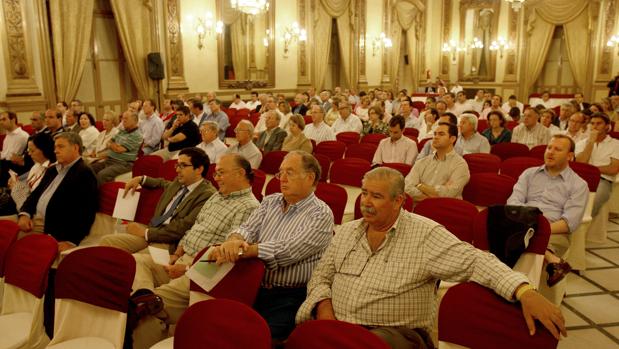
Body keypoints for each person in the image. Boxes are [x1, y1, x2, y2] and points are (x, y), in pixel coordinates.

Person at [296, 167, 567, 348]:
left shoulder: (424, 235)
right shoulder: (347, 233)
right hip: (338, 326)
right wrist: (324, 310)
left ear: (399, 201)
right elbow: (321, 275)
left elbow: (476, 261)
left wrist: (525, 291)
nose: (365, 201)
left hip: (396, 335)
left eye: (376, 196)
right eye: (364, 193)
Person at [130, 154, 260, 349]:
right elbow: (194, 228)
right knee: (137, 262)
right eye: (216, 173)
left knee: (143, 305)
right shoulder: (217, 195)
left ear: (240, 173)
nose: (216, 178)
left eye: (221, 173)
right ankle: (155, 306)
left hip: (201, 272)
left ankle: (152, 307)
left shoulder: (250, 207)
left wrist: (188, 269)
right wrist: (176, 255)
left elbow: (226, 256)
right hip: (181, 258)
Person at [209, 151, 334, 342]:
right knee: (220, 330)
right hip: (251, 284)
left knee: (255, 340)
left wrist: (244, 250)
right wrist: (234, 240)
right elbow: (247, 228)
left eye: (289, 173)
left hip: (288, 296)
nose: (282, 178)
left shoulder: (321, 214)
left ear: (310, 178)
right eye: (280, 172)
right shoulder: (270, 201)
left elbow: (289, 249)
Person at [100, 147, 216, 254]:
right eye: (177, 165)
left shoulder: (206, 195)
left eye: (183, 166)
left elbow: (182, 228)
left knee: (138, 260)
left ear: (199, 169)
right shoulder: (180, 182)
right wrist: (141, 179)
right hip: (153, 231)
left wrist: (146, 233)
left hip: (170, 242)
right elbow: (163, 183)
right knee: (108, 241)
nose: (177, 170)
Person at [507, 135, 588, 287]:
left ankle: (523, 293)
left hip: (554, 231)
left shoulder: (579, 184)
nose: (550, 152)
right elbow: (513, 201)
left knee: (523, 241)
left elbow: (569, 223)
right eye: (549, 147)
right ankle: (553, 261)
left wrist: (538, 229)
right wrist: (526, 223)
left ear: (570, 156)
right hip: (522, 222)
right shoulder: (529, 174)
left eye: (557, 149)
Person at [18, 132, 98, 250]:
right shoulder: (53, 170)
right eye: (55, 147)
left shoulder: (84, 173)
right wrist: (24, 214)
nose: (55, 151)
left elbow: (86, 211)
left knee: (8, 236)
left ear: (75, 148)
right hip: (34, 219)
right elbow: (34, 195)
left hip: (52, 227)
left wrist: (72, 240)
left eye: (60, 146)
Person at [405, 122, 470, 202]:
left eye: (441, 134)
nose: (435, 137)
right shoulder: (422, 162)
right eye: (435, 134)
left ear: (452, 139)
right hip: (419, 209)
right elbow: (407, 187)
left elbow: (448, 193)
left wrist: (420, 186)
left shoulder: (460, 165)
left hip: (446, 210)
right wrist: (430, 198)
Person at [575, 113, 619, 217]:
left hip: (603, 180)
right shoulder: (582, 143)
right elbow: (580, 164)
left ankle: (581, 221)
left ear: (607, 126)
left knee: (596, 197)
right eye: (592, 123)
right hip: (580, 178)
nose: (595, 126)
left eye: (599, 123)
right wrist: (591, 142)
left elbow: (613, 169)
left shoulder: (616, 144)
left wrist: (590, 169)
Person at [6, 133, 55, 213]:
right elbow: (28, 187)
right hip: (19, 203)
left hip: (31, 210)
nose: (29, 153)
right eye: (28, 150)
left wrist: (16, 187)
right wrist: (15, 183)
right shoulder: (36, 166)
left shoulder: (53, 171)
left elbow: (34, 200)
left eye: (32, 150)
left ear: (44, 149)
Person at [90, 111, 143, 185]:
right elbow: (109, 142)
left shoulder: (137, 135)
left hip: (124, 164)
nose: (123, 121)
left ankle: (100, 195)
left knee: (102, 175)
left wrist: (113, 145)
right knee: (89, 169)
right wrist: (114, 146)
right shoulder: (122, 131)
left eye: (126, 118)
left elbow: (119, 149)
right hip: (110, 160)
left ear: (135, 121)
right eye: (122, 118)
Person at [0, 111, 29, 185]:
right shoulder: (8, 136)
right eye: (0, 120)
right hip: (5, 166)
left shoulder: (22, 136)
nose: (1, 122)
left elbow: (13, 157)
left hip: (14, 169)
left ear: (13, 120)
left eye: (4, 119)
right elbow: (5, 154)